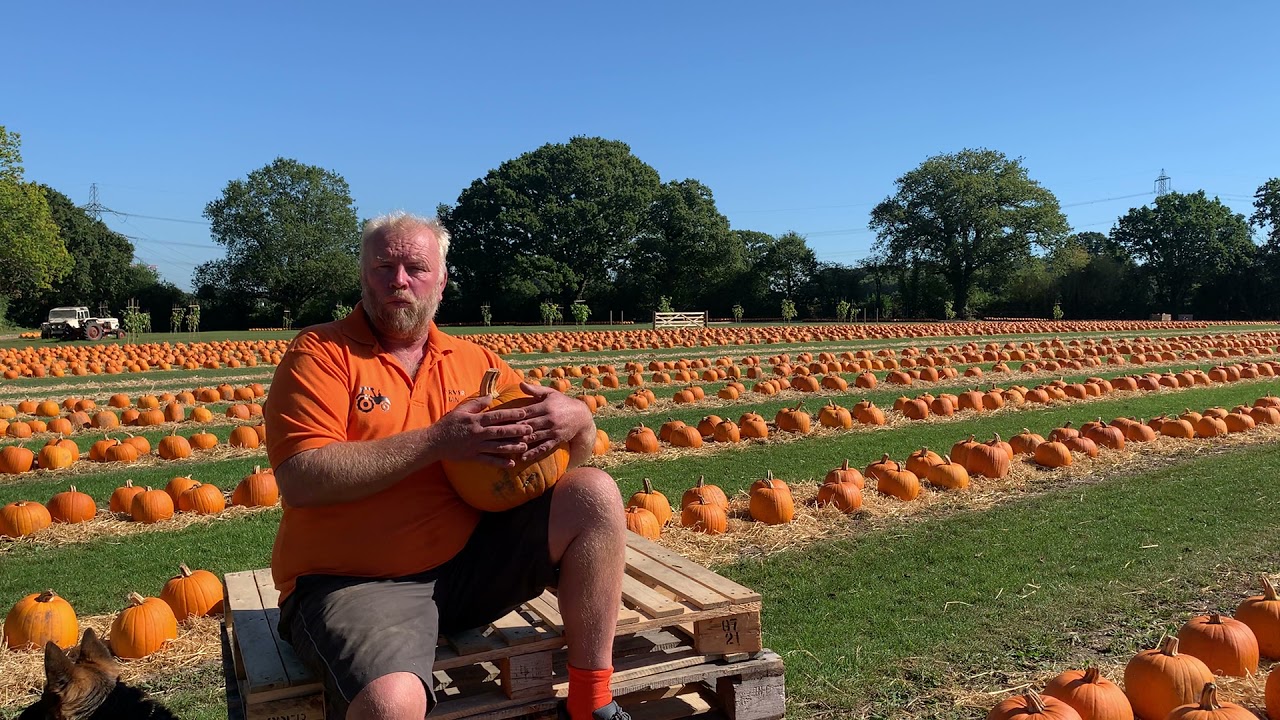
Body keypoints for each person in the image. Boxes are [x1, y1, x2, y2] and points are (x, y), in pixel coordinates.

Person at [264, 211, 629, 720]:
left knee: (593, 492)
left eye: (415, 267)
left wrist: (579, 423)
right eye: (383, 266)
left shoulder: (476, 361)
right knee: (390, 706)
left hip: (469, 567)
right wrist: (438, 441)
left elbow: (549, 470)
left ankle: (593, 703)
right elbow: (301, 478)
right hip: (356, 581)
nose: (398, 280)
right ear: (363, 274)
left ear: (442, 279)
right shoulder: (321, 352)